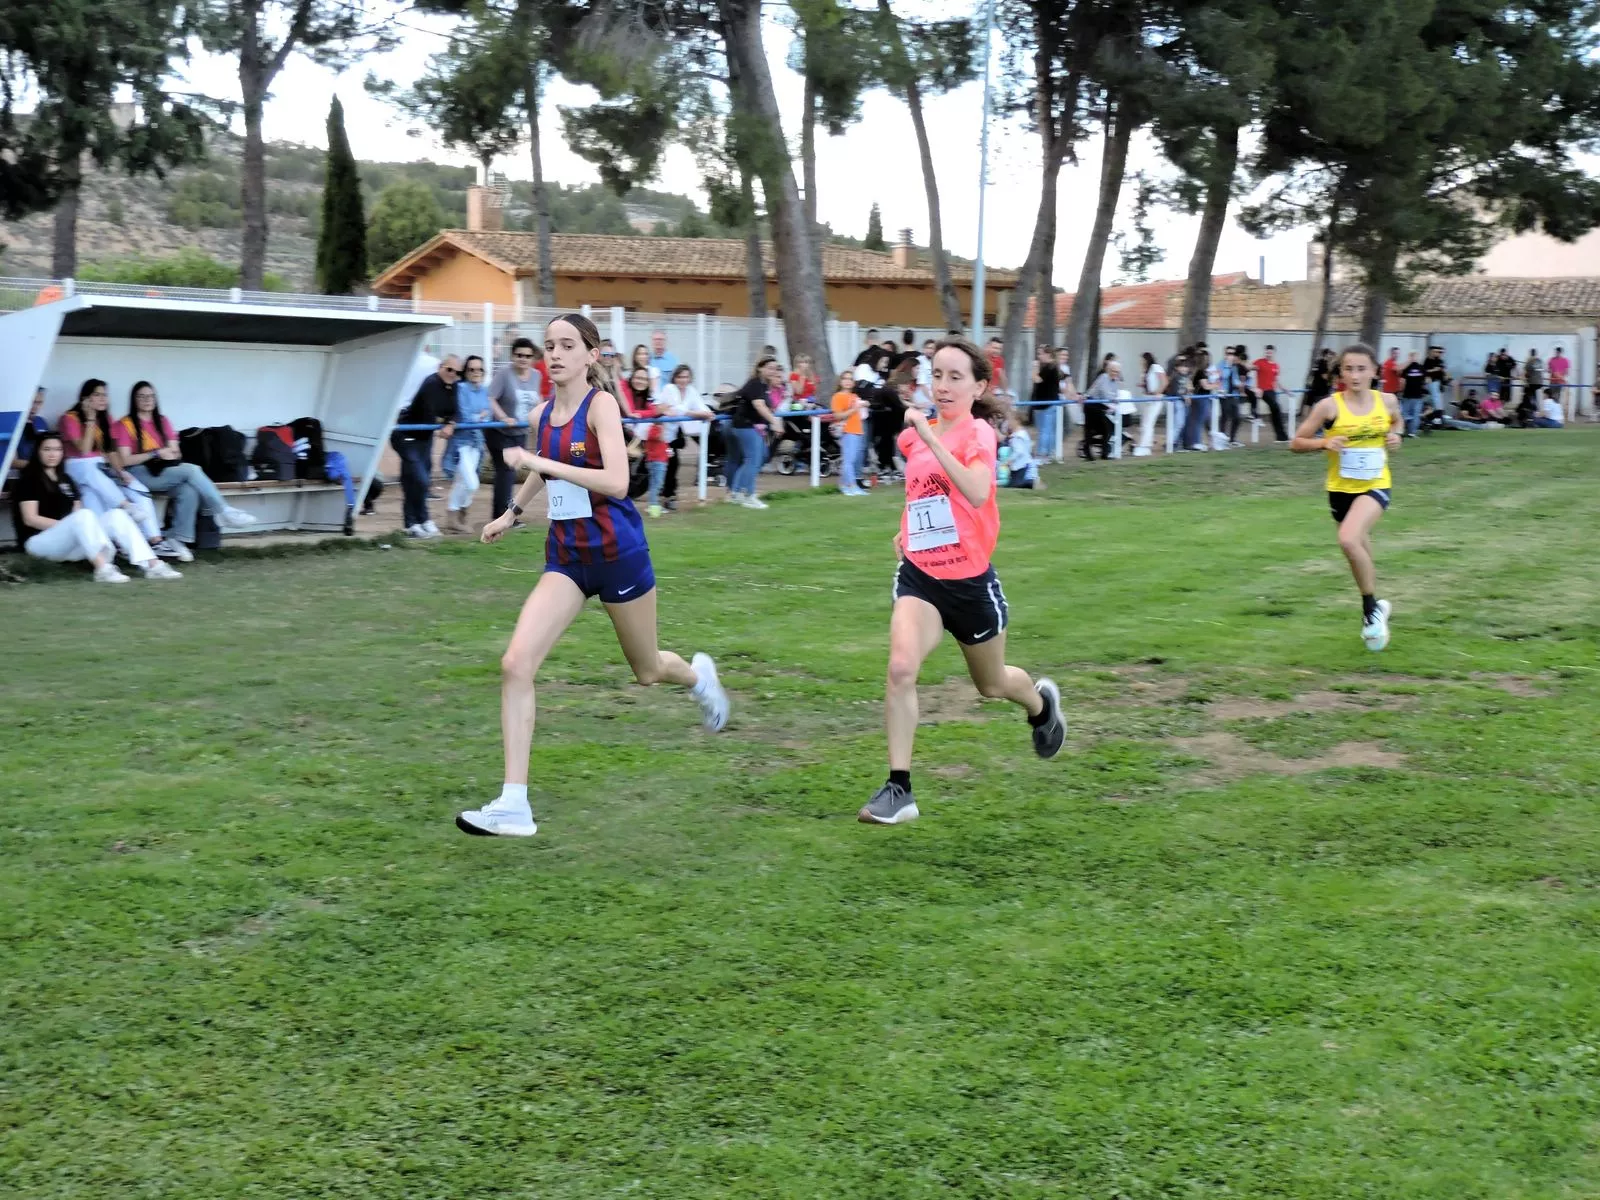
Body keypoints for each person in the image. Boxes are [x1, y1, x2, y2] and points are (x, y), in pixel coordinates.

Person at [459, 312, 731, 838]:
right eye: (549, 345)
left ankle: (700, 679)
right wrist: (511, 513)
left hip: (618, 555)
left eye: (567, 345)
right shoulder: (541, 414)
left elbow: (617, 482)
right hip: (567, 559)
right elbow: (544, 465)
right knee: (516, 663)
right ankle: (514, 803)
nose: (555, 354)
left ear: (591, 354)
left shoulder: (601, 406)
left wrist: (543, 464)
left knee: (647, 670)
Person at [858, 336, 1066, 825]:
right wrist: (906, 528)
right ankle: (899, 788)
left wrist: (933, 438)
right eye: (937, 375)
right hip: (921, 578)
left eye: (955, 377)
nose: (943, 386)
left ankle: (1040, 706)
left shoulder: (978, 434)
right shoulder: (914, 436)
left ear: (979, 386)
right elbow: (922, 494)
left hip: (970, 585)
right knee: (900, 668)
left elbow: (974, 491)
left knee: (991, 685)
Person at [1289, 343, 1402, 652]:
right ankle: (1377, 607)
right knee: (1357, 549)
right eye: (1349, 369)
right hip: (1340, 490)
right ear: (1340, 373)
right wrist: (1322, 443)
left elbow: (1396, 421)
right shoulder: (1329, 407)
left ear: (1374, 371)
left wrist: (1396, 435)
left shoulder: (1387, 401)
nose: (1355, 376)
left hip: (1376, 484)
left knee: (1348, 540)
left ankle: (1370, 610)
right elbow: (1296, 442)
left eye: (1361, 369)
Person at [11, 433, 182, 582]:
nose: (52, 454)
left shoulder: (66, 479)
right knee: (83, 516)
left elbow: (77, 513)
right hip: (39, 543)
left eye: (57, 449)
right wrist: (70, 525)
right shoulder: (29, 480)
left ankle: (152, 565)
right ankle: (103, 569)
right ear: (38, 452)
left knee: (116, 515)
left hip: (69, 543)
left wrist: (77, 526)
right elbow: (30, 519)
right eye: (47, 449)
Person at [113, 380, 257, 548]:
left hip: (164, 470)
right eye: (142, 396)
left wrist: (168, 454)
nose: (147, 400)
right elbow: (125, 460)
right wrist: (156, 453)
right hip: (138, 474)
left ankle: (177, 539)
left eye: (151, 396)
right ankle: (223, 510)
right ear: (134, 399)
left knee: (188, 491)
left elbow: (176, 452)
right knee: (193, 470)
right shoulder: (125, 424)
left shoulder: (162, 421)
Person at [57, 379, 183, 560]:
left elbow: (110, 452)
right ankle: (120, 521)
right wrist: (90, 419)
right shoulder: (70, 418)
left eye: (105, 395)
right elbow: (84, 450)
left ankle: (155, 541)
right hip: (77, 468)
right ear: (85, 398)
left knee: (138, 490)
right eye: (97, 395)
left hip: (101, 470)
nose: (103, 399)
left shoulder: (107, 419)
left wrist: (120, 471)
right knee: (90, 472)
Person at [391, 356, 458, 538]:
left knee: (415, 480)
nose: (452, 374)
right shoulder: (431, 383)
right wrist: (443, 423)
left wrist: (450, 422)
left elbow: (454, 411)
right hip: (406, 435)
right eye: (449, 369)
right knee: (419, 479)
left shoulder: (453, 387)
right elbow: (429, 414)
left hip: (424, 438)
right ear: (441, 367)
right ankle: (414, 522)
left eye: (456, 372)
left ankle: (420, 521)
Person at [487, 337, 546, 522]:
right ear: (513, 356)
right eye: (519, 355)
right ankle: (502, 515)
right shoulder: (504, 374)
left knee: (509, 473)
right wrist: (503, 417)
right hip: (500, 432)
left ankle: (504, 514)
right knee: (506, 472)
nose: (523, 359)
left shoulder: (536, 375)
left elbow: (537, 399)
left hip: (520, 432)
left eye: (527, 356)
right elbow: (491, 398)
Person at [723, 358, 786, 508]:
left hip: (752, 426)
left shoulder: (764, 385)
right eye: (769, 368)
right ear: (760, 368)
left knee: (760, 457)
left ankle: (737, 492)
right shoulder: (755, 384)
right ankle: (747, 494)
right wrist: (775, 422)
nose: (773, 371)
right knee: (752, 459)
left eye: (775, 368)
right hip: (745, 425)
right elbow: (759, 405)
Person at [654, 364, 715, 510]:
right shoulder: (669, 388)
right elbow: (676, 410)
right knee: (665, 465)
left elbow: (701, 408)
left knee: (673, 464)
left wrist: (706, 413)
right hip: (661, 434)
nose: (683, 380)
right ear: (675, 378)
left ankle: (669, 496)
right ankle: (664, 496)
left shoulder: (691, 391)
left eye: (686, 377)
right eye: (680, 377)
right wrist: (695, 414)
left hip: (674, 435)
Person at [444, 356, 491, 532]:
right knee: (471, 483)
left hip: (477, 442)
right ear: (466, 372)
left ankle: (456, 519)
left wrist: (479, 417)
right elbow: (464, 415)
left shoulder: (484, 390)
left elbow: (489, 414)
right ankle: (457, 512)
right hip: (461, 442)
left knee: (462, 481)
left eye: (479, 369)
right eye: (472, 369)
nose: (476, 373)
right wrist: (479, 416)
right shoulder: (461, 388)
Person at [830, 367, 869, 496]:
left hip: (857, 429)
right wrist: (854, 409)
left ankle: (844, 485)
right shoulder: (837, 397)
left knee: (851, 459)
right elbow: (837, 415)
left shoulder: (854, 396)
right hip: (847, 430)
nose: (847, 381)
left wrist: (864, 404)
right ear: (840, 381)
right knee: (849, 460)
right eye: (845, 379)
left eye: (850, 379)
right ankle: (852, 486)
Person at [1080, 355, 1120, 460]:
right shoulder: (1103, 377)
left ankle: (1103, 453)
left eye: (1117, 372)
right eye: (1113, 371)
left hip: (1101, 406)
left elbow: (1115, 394)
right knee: (1092, 429)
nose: (1115, 373)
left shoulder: (1116, 380)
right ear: (1108, 370)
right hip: (1091, 405)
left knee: (1106, 429)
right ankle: (1088, 452)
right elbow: (1105, 394)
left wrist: (1113, 401)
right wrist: (1113, 402)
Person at [1029, 344, 1061, 466]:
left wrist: (1034, 368)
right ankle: (1048, 453)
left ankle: (1042, 454)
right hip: (1043, 403)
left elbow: (1037, 379)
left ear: (1048, 354)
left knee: (1045, 430)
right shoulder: (1049, 367)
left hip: (1047, 403)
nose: (1039, 356)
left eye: (1040, 353)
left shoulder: (1050, 367)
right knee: (1047, 430)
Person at [1252, 345, 1289, 441]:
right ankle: (1281, 436)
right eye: (1267, 352)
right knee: (1276, 408)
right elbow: (1250, 368)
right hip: (1262, 391)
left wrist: (1285, 390)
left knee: (1276, 412)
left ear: (1273, 353)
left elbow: (1276, 380)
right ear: (1265, 352)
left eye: (1270, 352)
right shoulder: (1259, 362)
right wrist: (1254, 387)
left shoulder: (1275, 366)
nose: (1268, 354)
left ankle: (1281, 436)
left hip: (1272, 391)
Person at [1135, 351, 1167, 457]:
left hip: (1155, 398)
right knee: (1144, 423)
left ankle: (1144, 446)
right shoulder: (1146, 370)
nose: (1141, 362)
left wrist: (1158, 392)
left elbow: (1164, 381)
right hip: (1146, 398)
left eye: (1142, 360)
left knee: (1149, 423)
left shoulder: (1156, 367)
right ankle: (1145, 444)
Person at [12, 388, 49, 471]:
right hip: (19, 473)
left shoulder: (41, 422)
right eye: (31, 402)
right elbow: (11, 461)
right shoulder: (11, 423)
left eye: (39, 403)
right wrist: (41, 466)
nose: (35, 407)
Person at [1002, 410, 1039, 488]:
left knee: (1014, 484)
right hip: (1024, 463)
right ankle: (1029, 482)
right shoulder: (1023, 433)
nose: (1008, 423)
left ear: (1017, 421)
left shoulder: (1017, 437)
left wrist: (1009, 460)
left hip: (1019, 465)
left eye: (1010, 421)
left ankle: (1030, 483)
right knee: (1014, 482)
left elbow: (1018, 451)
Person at [1399, 351, 1428, 436]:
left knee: (1405, 414)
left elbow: (1402, 381)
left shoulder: (1406, 368)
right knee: (1415, 414)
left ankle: (1402, 431)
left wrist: (1401, 390)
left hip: (1408, 395)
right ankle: (1412, 432)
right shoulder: (1421, 368)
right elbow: (1426, 381)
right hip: (1417, 395)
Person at [1422, 345, 1449, 419]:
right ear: (1431, 352)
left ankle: (1439, 414)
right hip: (1432, 382)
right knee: (1435, 398)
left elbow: (1443, 370)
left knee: (1439, 398)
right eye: (1437, 352)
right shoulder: (1427, 360)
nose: (1439, 354)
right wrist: (1434, 370)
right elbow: (1424, 371)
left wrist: (1446, 376)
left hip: (1440, 382)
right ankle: (1438, 414)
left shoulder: (1440, 361)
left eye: (1440, 352)